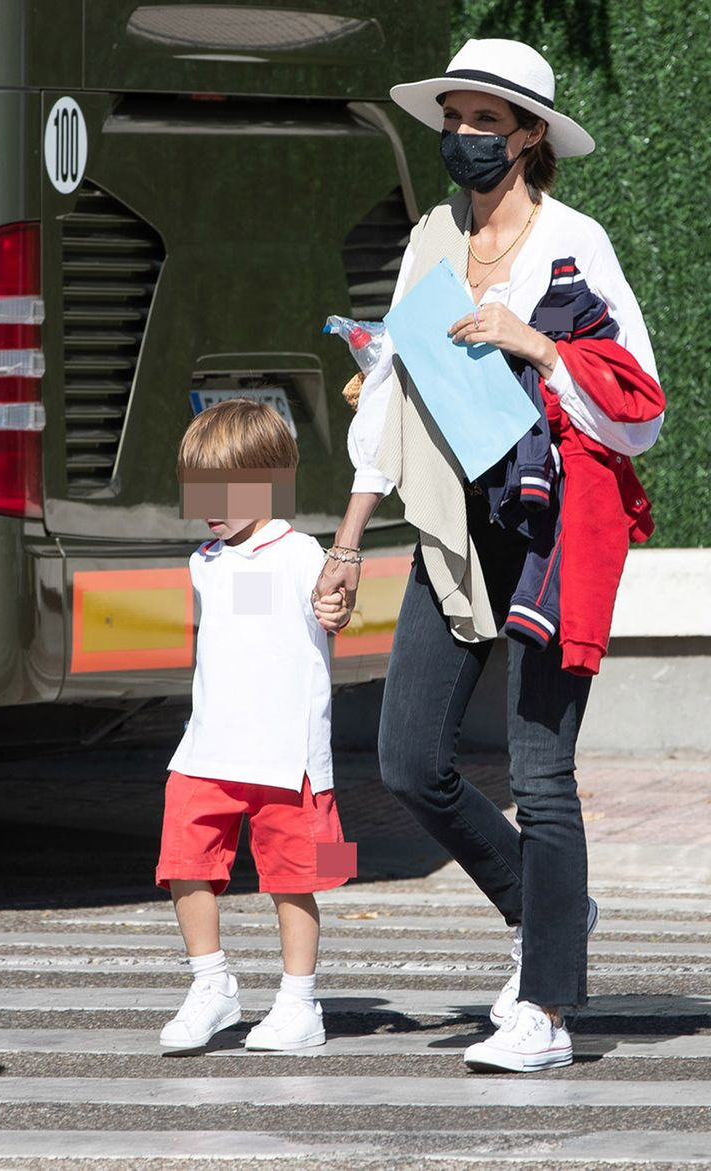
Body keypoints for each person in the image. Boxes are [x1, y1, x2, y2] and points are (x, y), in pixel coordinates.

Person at [311, 38, 663, 1072]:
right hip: (453, 529)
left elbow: (641, 411)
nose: (464, 136)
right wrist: (345, 541)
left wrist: (537, 342)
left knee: (540, 773)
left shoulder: (575, 244)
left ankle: (546, 1010)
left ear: (529, 137)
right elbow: (389, 392)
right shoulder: (432, 237)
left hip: (552, 534)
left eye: (485, 121)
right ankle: (551, 908)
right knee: (409, 759)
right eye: (453, 118)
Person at [157, 398, 349, 1052]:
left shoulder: (301, 554)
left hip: (288, 759)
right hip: (205, 751)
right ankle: (211, 985)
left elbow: (331, 604)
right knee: (183, 862)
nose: (206, 504)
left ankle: (300, 1003)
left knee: (296, 880)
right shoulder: (203, 562)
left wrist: (336, 607)